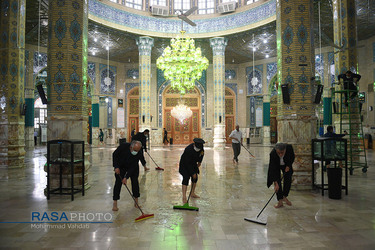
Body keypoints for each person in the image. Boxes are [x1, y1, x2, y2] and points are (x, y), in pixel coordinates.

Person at [112, 140, 148, 211]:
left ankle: (136, 202)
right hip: (121, 166)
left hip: (132, 166)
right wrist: (116, 166)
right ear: (131, 147)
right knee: (118, 183)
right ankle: (115, 203)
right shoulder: (123, 146)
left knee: (135, 182)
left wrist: (126, 177)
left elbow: (133, 166)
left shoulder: (139, 153)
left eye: (137, 150)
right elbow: (114, 155)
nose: (136, 152)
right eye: (135, 150)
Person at [267, 143, 295, 208]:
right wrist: (276, 183)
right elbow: (273, 169)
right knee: (277, 183)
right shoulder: (273, 154)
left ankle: (284, 196)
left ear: (285, 150)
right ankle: (280, 201)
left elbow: (292, 157)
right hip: (276, 166)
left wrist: (288, 165)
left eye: (282, 152)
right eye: (279, 153)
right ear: (276, 150)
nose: (280, 154)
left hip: (286, 164)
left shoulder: (289, 148)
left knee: (288, 179)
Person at [179, 138, 205, 203]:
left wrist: (199, 162)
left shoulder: (201, 148)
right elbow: (187, 163)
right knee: (186, 178)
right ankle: (184, 197)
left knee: (195, 178)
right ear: (194, 144)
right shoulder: (188, 149)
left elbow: (201, 155)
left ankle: (192, 193)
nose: (198, 149)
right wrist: (193, 172)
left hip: (193, 164)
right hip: (184, 165)